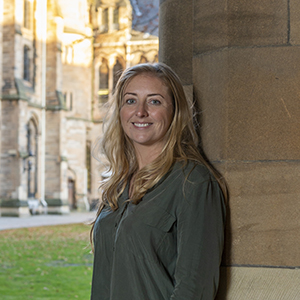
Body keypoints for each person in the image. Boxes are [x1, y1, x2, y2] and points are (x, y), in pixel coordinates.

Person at [90, 62, 226, 300]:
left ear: (174, 112)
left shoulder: (193, 182)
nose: (140, 112)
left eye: (154, 101)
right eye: (131, 100)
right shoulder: (118, 184)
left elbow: (195, 291)